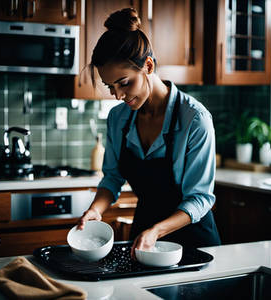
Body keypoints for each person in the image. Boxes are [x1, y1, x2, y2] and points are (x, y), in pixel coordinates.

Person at [77, 8, 221, 257]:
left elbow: (200, 198)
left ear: (149, 65)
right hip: (143, 239)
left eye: (124, 83)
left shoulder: (195, 119)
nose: (119, 96)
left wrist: (157, 231)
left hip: (194, 243)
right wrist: (95, 210)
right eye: (110, 87)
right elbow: (112, 179)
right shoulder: (118, 118)